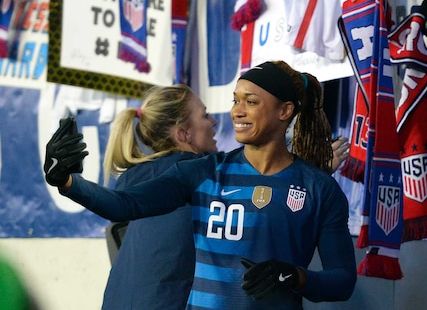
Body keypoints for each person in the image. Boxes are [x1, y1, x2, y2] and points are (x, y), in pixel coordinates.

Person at [44, 61, 355, 310]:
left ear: (285, 111)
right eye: (235, 100)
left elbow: (342, 282)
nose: (235, 111)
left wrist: (296, 276)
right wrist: (68, 182)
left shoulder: (319, 189)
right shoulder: (201, 172)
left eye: (251, 101)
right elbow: (124, 204)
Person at [101, 85, 218, 310]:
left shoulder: (133, 180)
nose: (213, 122)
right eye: (204, 115)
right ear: (183, 133)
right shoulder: (203, 176)